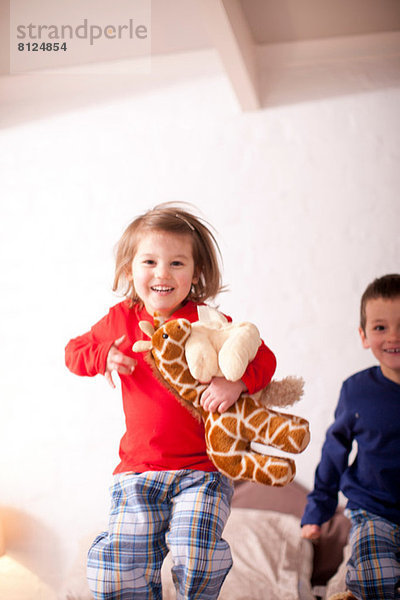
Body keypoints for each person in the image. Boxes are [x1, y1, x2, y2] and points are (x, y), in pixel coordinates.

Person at [65, 203, 277, 600]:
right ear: (130, 270)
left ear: (195, 273)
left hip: (202, 471)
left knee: (195, 554)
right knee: (118, 567)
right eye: (150, 261)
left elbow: (263, 355)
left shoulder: (207, 319)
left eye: (177, 263)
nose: (163, 273)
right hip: (137, 471)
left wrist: (237, 384)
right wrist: (103, 355)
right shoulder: (120, 319)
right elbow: (73, 351)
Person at [301, 274, 400, 600]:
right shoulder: (356, 391)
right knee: (376, 576)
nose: (393, 337)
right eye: (380, 327)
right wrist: (318, 510)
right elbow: (334, 452)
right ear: (363, 335)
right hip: (373, 509)